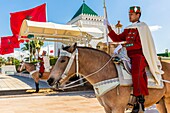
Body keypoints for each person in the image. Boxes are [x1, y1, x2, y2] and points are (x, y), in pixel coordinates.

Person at [107, 6, 163, 113]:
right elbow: (117, 39)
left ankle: (139, 101)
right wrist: (109, 28)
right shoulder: (128, 29)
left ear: (138, 15)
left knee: (136, 73)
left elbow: (144, 43)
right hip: (127, 54)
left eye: (132, 14)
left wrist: (126, 44)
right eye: (129, 14)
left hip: (139, 55)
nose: (129, 16)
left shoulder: (143, 27)